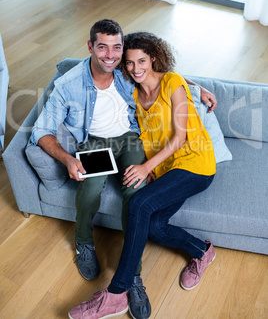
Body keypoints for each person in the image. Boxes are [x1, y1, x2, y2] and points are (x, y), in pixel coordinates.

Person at [68, 32, 217, 319]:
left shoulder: (172, 82)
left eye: (142, 61)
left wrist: (146, 167)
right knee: (152, 227)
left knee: (138, 204)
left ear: (154, 59)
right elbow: (93, 71)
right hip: (166, 171)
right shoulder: (133, 93)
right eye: (130, 63)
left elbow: (179, 137)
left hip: (195, 165)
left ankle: (116, 293)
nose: (136, 69)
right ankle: (203, 251)